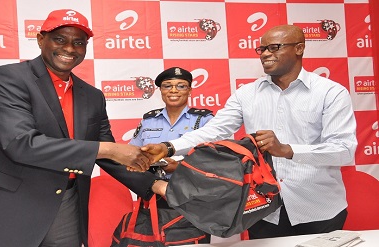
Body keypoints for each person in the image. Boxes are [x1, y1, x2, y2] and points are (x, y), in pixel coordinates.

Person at [0, 9, 162, 247]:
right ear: (41, 39)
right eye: (60, 39)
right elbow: (21, 143)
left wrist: (154, 184)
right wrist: (109, 150)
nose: (69, 49)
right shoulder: (8, 78)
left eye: (78, 43)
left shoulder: (92, 96)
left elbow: (108, 153)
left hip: (66, 204)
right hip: (8, 204)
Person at [142, 24, 357, 239]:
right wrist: (168, 147)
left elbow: (344, 150)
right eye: (261, 49)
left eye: (274, 47)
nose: (265, 54)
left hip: (318, 208)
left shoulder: (330, 93)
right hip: (263, 209)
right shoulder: (247, 94)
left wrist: (287, 150)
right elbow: (215, 131)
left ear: (299, 48)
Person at [130, 67, 213, 178]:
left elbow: (214, 159)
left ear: (189, 90)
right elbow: (133, 152)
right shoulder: (148, 121)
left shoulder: (204, 120)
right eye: (167, 86)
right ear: (161, 90)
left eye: (181, 86)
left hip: (192, 189)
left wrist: (180, 166)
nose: (173, 90)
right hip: (152, 188)